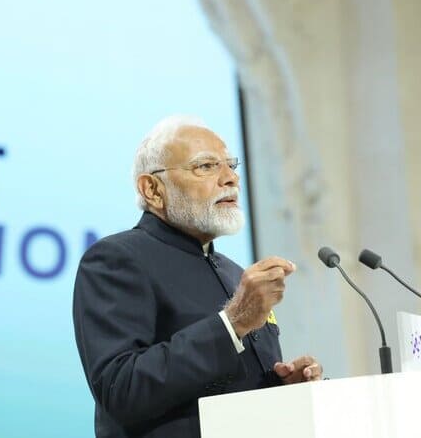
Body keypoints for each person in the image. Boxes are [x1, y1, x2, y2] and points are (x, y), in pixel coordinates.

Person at [72, 115, 323, 438]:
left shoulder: (232, 272)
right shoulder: (116, 259)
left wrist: (281, 387)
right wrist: (232, 323)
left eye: (231, 165)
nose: (231, 178)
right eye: (206, 166)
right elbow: (121, 389)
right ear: (152, 189)